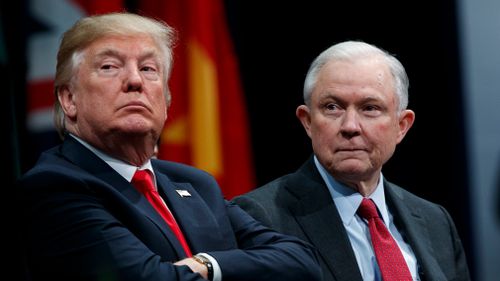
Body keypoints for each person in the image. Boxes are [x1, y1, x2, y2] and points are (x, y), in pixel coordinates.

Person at [17, 12, 322, 281]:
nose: (135, 80)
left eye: (149, 69)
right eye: (110, 66)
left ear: (165, 101)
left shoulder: (195, 184)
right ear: (69, 99)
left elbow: (301, 261)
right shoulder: (55, 187)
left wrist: (207, 264)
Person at [233, 41, 471, 281]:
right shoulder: (258, 217)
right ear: (307, 121)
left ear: (401, 126)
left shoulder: (436, 222)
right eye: (332, 107)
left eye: (369, 108)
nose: (350, 127)